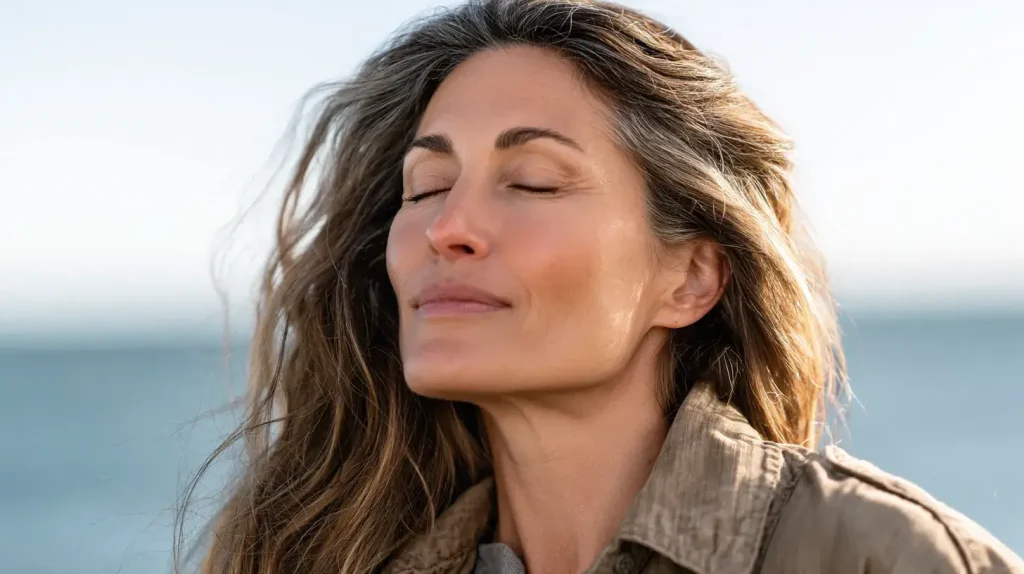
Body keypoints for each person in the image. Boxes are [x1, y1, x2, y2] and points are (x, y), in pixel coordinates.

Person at [180, 0, 1024, 572]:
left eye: (534, 182)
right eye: (426, 188)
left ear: (691, 277)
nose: (448, 226)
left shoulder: (880, 557)